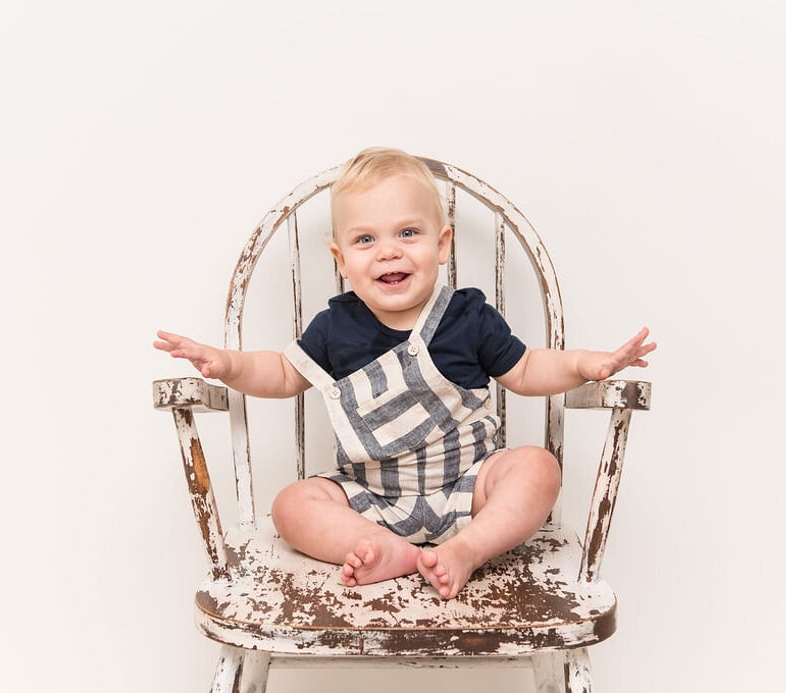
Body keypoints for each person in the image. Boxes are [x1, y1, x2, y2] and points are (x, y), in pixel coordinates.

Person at [154, 147, 656, 599]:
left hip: (469, 485)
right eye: (365, 239)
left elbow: (526, 369)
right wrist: (228, 364)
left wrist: (589, 364)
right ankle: (380, 549)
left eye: (407, 233)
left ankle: (468, 550)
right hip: (372, 495)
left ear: (442, 245)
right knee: (292, 504)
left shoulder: (467, 316)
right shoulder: (336, 326)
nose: (389, 251)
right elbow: (283, 374)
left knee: (537, 469)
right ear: (342, 260)